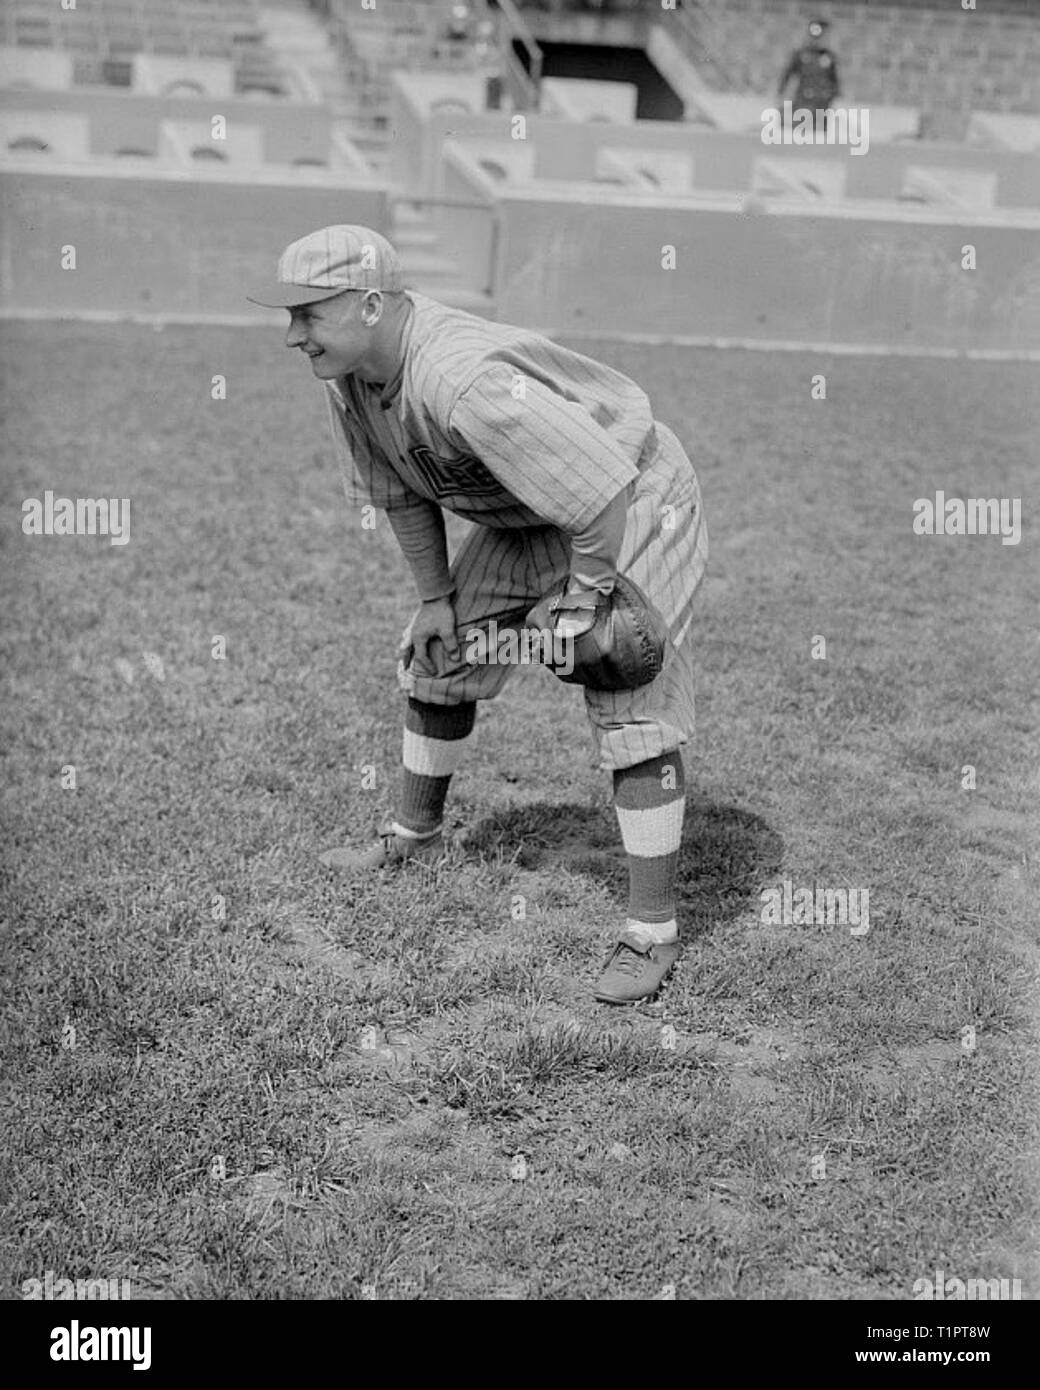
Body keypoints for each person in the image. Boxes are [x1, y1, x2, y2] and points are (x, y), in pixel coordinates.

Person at [247, 226, 709, 1004]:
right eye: (289, 316)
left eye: (309, 314)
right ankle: (414, 838)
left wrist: (585, 601)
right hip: (532, 508)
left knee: (623, 679)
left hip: (631, 498)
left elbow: (600, 491)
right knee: (440, 652)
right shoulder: (350, 376)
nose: (293, 335)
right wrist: (435, 601)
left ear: (368, 305)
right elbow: (400, 495)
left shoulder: (460, 380)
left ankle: (651, 932)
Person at [778, 16, 841, 129]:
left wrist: (832, 96)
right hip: (802, 100)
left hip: (821, 103)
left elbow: (834, 80)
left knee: (818, 132)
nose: (816, 41)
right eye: (813, 37)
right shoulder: (800, 55)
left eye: (820, 37)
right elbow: (787, 76)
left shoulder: (828, 57)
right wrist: (782, 96)